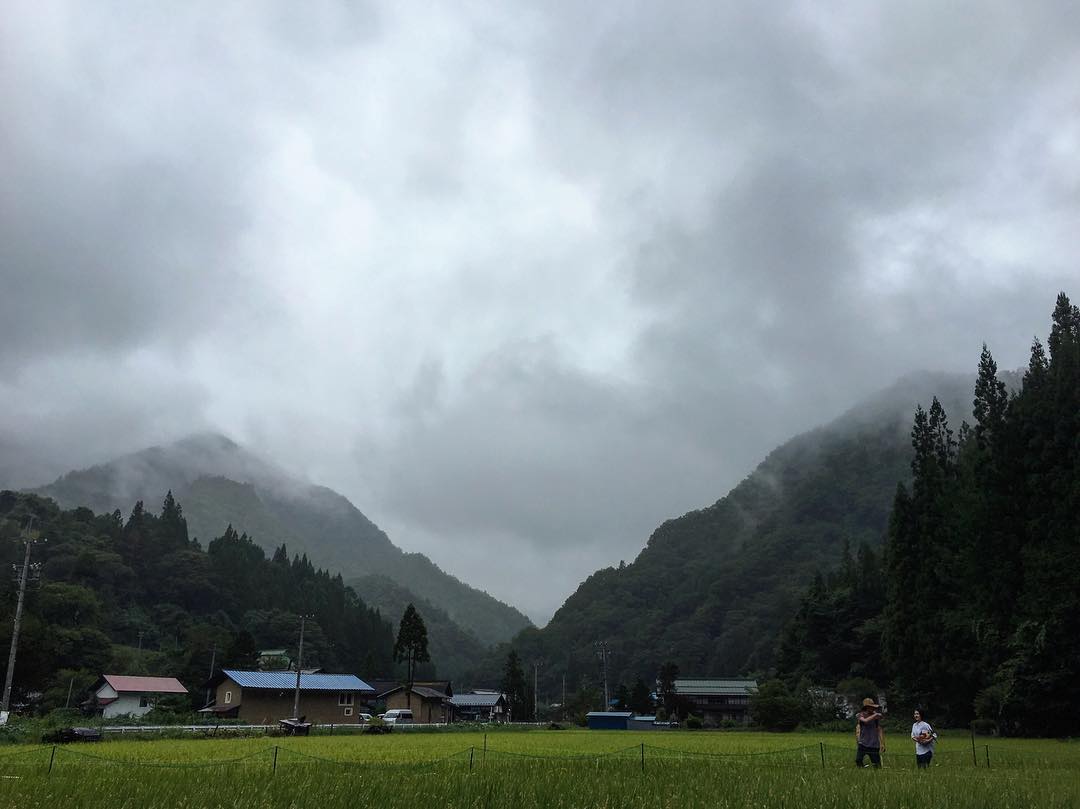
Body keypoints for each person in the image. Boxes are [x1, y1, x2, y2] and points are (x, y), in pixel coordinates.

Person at [855, 697, 886, 767]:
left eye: (873, 707)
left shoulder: (876, 718)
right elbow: (865, 721)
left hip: (874, 744)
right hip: (863, 743)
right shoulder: (860, 715)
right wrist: (875, 715)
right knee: (858, 760)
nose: (873, 709)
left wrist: (882, 743)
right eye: (871, 707)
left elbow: (879, 729)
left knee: (876, 764)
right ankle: (862, 771)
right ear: (866, 707)